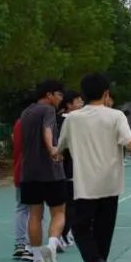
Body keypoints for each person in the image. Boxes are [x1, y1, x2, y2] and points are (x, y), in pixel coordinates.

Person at [57, 73, 131, 262]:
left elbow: (61, 146)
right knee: (104, 229)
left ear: (83, 94)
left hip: (86, 184)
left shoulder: (73, 119)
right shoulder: (116, 116)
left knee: (80, 227)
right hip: (111, 182)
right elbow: (130, 141)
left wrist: (56, 153)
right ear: (106, 93)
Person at [19, 79, 68, 262]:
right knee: (59, 213)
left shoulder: (25, 113)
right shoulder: (48, 110)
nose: (61, 99)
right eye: (59, 95)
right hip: (51, 173)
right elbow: (47, 131)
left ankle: (37, 261)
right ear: (49, 95)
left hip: (29, 173)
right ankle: (52, 246)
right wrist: (52, 150)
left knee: (34, 215)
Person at [57, 89, 83, 249]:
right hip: (69, 168)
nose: (81, 104)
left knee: (69, 203)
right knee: (70, 204)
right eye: (78, 101)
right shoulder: (68, 121)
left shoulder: (66, 119)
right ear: (69, 104)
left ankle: (65, 233)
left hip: (69, 167)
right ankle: (62, 234)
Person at [10, 114, 33, 262]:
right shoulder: (41, 121)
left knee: (21, 207)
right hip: (35, 173)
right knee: (36, 210)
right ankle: (31, 245)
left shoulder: (19, 123)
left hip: (20, 171)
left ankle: (20, 243)